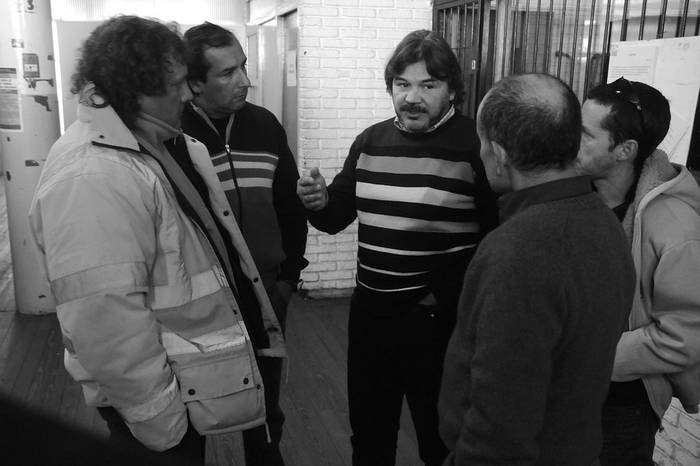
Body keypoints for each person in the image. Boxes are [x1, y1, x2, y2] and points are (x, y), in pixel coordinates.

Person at [28, 16, 285, 465]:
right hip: (156, 410)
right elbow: (104, 323)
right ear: (136, 90)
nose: (188, 95)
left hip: (182, 382)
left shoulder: (153, 146)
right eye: (178, 84)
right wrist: (161, 420)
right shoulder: (94, 175)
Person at [297, 29, 497, 466]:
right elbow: (335, 217)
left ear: (451, 90)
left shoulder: (475, 146)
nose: (413, 97)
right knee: (369, 434)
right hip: (370, 315)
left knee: (438, 436)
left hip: (436, 320)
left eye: (429, 85)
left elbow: (496, 238)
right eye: (403, 84)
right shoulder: (370, 141)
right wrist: (318, 201)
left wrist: (445, 295)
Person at [438, 73, 636, 465]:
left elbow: (500, 430)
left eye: (481, 143)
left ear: (500, 152)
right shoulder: (603, 222)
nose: (480, 154)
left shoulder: (519, 251)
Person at [181, 22, 308, 465]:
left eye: (245, 67)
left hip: (269, 291)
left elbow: (290, 207)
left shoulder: (265, 125)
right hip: (204, 303)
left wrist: (290, 277)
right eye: (228, 73)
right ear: (194, 83)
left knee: (266, 405)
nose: (245, 80)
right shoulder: (173, 137)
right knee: (194, 407)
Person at [576, 77, 700, 466]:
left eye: (584, 134)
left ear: (624, 150)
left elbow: (683, 336)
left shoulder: (675, 225)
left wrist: (593, 358)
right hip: (569, 390)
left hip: (623, 407)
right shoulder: (578, 197)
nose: (570, 140)